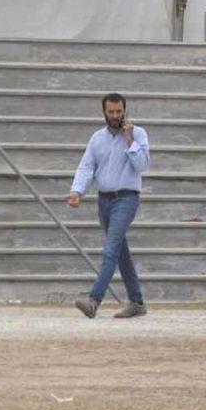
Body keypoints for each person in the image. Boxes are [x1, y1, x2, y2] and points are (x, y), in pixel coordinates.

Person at [70, 93, 151, 319]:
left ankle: (94, 300)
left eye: (119, 111)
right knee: (120, 251)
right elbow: (86, 167)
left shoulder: (138, 134)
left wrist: (130, 141)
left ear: (125, 110)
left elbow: (142, 165)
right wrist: (77, 191)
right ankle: (137, 301)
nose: (115, 116)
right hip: (104, 199)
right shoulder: (97, 138)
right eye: (111, 112)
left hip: (127, 198)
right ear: (104, 112)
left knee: (111, 247)